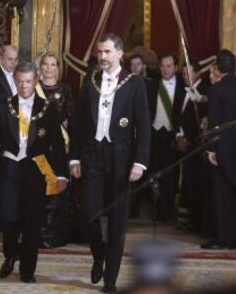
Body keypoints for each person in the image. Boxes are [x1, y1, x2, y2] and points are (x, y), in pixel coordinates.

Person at [70, 33, 151, 293]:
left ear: (119, 53)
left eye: (107, 52)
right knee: (88, 212)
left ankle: (111, 279)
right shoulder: (90, 80)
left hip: (121, 157)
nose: (102, 57)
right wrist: (74, 157)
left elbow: (144, 127)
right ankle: (98, 254)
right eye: (99, 52)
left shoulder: (135, 83)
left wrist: (140, 162)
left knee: (117, 219)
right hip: (93, 154)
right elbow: (79, 122)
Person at [0, 62, 68, 283]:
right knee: (6, 216)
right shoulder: (4, 105)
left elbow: (57, 144)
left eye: (28, 81)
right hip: (9, 167)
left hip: (35, 169)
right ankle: (11, 253)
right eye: (19, 81)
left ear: (35, 82)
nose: (24, 86)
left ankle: (27, 270)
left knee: (31, 222)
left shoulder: (47, 107)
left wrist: (61, 175)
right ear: (15, 81)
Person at [202, 50, 236, 250]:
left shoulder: (216, 90)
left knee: (221, 194)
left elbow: (214, 123)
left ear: (217, 67)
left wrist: (211, 149)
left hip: (222, 147)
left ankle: (223, 239)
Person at [37, 52, 74, 247]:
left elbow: (70, 117)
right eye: (45, 64)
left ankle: (56, 235)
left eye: (53, 64)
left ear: (57, 67)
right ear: (40, 66)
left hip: (59, 146)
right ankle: (39, 234)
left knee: (58, 189)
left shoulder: (65, 89)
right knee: (40, 189)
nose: (49, 68)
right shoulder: (34, 87)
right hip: (39, 146)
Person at [147, 54, 184, 223]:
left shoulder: (183, 87)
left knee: (170, 176)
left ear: (176, 68)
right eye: (163, 66)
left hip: (172, 135)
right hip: (155, 134)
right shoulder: (152, 84)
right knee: (154, 174)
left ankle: (168, 212)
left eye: (169, 66)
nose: (165, 69)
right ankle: (156, 210)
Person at [175, 62, 209, 232]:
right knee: (187, 183)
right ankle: (186, 220)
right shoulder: (182, 90)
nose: (185, 77)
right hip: (185, 144)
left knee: (196, 184)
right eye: (182, 74)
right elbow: (177, 116)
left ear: (197, 74)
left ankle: (197, 221)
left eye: (188, 73)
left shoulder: (206, 90)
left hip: (197, 146)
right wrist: (179, 135)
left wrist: (201, 99)